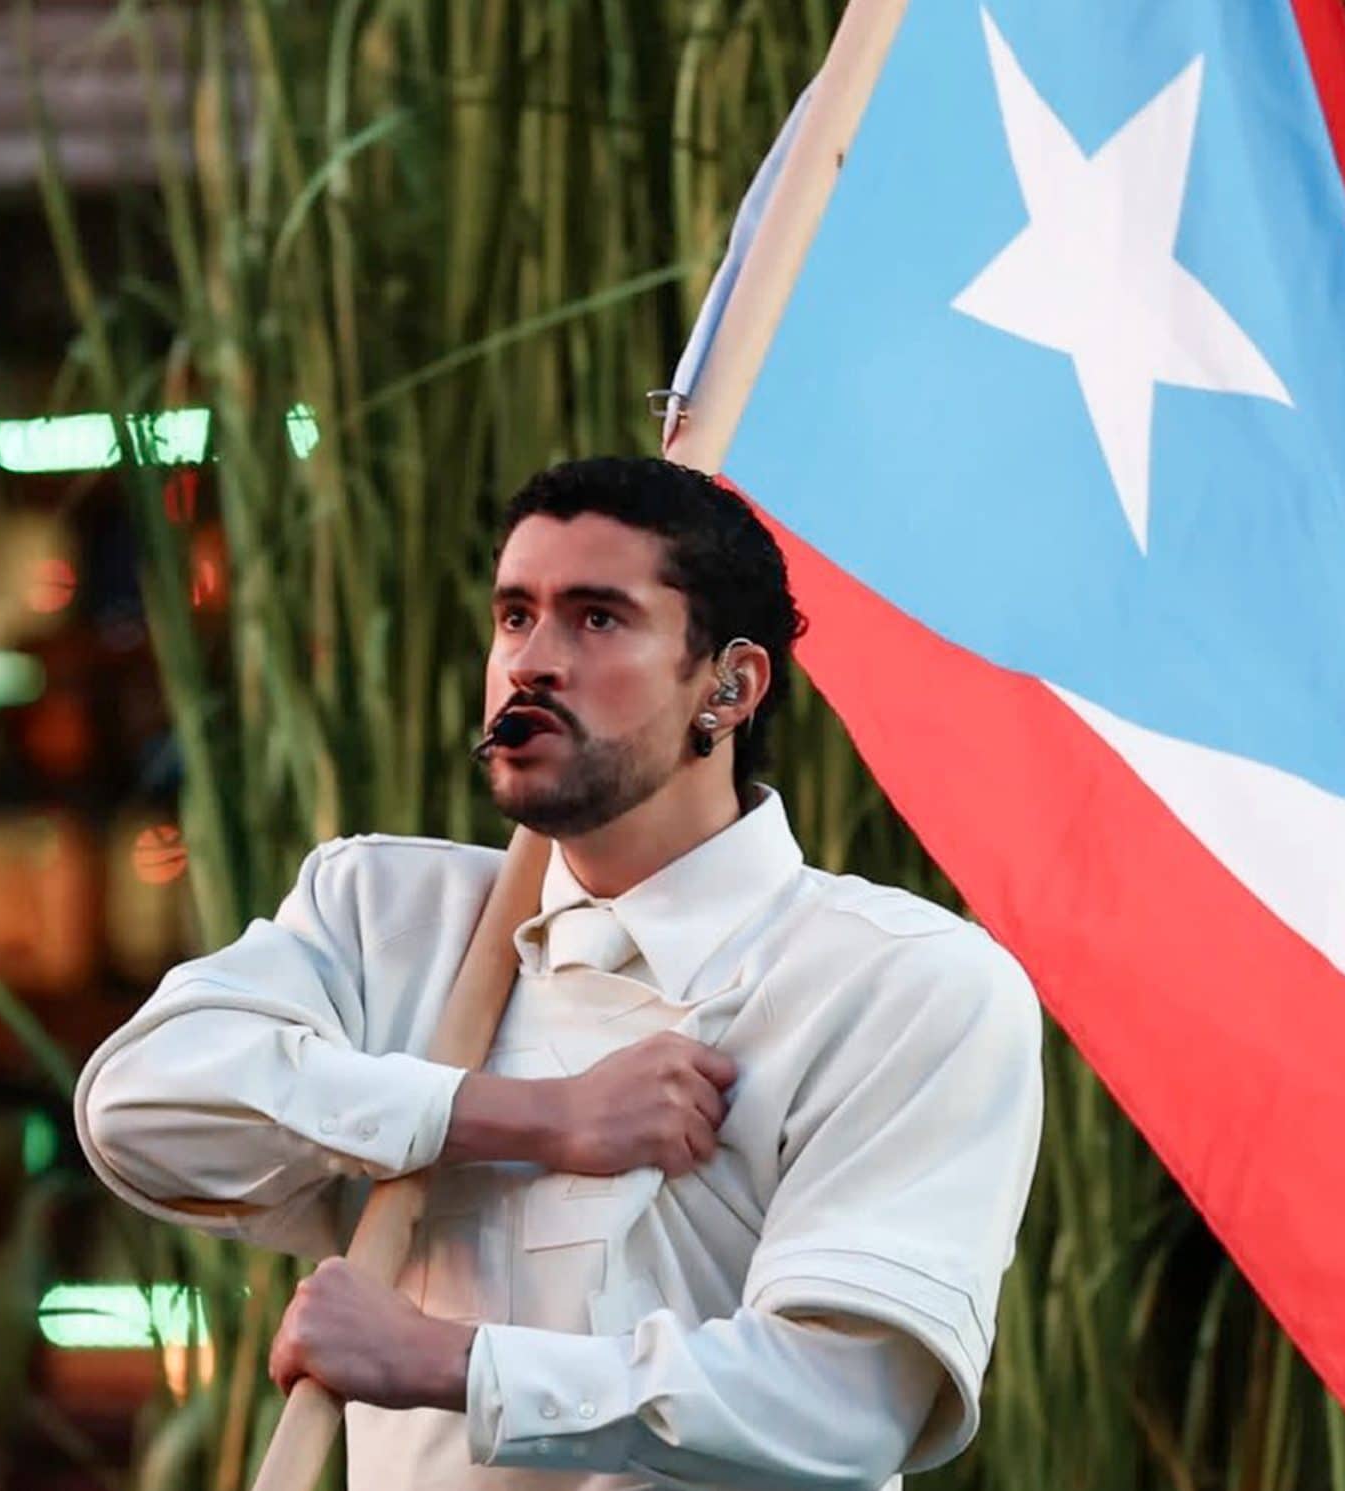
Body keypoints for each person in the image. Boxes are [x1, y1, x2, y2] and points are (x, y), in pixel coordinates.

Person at [75, 457, 1045, 1488]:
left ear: (729, 686)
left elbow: (842, 1407)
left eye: (597, 619)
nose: (532, 663)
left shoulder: (900, 982)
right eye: (514, 616)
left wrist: (448, 1363)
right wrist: (526, 1118)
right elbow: (137, 1108)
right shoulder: (387, 919)